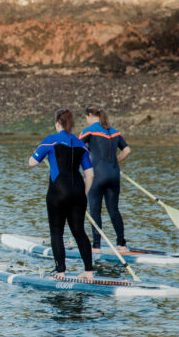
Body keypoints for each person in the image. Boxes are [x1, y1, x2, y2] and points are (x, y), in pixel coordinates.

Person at [28, 108, 95, 280]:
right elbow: (90, 175)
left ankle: (60, 272)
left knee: (57, 231)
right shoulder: (81, 144)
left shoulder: (51, 140)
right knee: (79, 231)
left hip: (58, 192)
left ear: (58, 123)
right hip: (78, 193)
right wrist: (83, 194)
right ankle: (88, 271)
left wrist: (42, 155)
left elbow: (32, 162)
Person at [79, 104, 131, 253]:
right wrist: (115, 161)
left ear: (90, 115)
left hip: (97, 176)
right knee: (113, 210)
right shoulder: (114, 131)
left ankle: (96, 246)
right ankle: (121, 244)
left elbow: (75, 147)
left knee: (95, 210)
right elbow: (127, 150)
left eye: (86, 117)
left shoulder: (89, 131)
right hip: (114, 175)